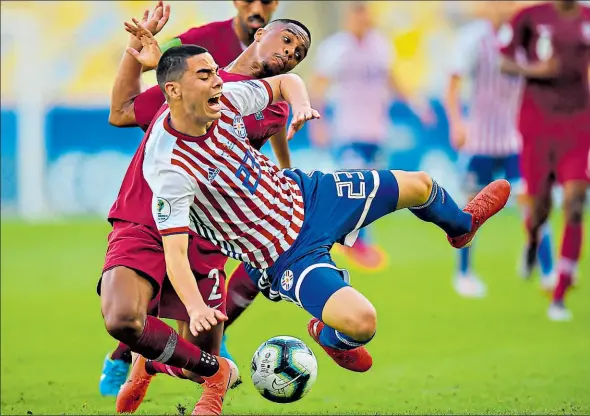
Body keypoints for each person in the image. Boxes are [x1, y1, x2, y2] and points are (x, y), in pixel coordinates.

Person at [143, 40, 510, 381]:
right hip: (284, 254)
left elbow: (286, 81)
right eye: (204, 75)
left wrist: (301, 105)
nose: (217, 82)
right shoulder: (170, 167)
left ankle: (461, 226)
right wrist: (194, 308)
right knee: (362, 322)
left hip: (312, 195)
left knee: (420, 185)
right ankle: (332, 338)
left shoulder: (226, 98)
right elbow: (175, 254)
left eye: (215, 72)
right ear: (174, 90)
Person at [107, 13, 313, 413]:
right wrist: (135, 55)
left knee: (196, 361)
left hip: (207, 231)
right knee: (124, 317)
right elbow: (121, 112)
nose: (290, 54)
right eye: (286, 40)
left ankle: (152, 363)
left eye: (299, 53)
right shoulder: (189, 83)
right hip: (151, 217)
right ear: (259, 34)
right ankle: (131, 361)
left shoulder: (269, 108)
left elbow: (282, 167)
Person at [309, 1, 433, 271]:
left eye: (365, 14)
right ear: (349, 17)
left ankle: (354, 241)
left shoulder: (380, 45)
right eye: (358, 15)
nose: (362, 20)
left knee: (371, 190)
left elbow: (392, 79)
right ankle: (355, 244)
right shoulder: (335, 49)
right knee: (356, 187)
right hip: (348, 130)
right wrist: (317, 123)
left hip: (376, 130)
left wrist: (416, 105)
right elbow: (318, 87)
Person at [445, 1, 555, 298]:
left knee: (531, 204)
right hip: (480, 141)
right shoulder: (472, 39)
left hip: (515, 141)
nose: (502, 8)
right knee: (471, 211)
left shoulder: (529, 39)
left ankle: (548, 273)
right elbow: (453, 84)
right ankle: (464, 274)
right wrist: (457, 123)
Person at [499, 0, 590, 321]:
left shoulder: (587, 18)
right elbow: (505, 62)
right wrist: (535, 69)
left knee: (575, 202)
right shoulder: (530, 17)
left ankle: (560, 292)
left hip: (578, 123)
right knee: (539, 207)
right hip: (537, 123)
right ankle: (533, 240)